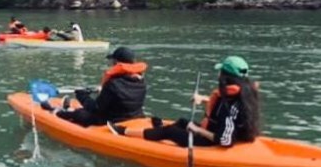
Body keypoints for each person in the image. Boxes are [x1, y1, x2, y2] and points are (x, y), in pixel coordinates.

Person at [108, 56, 260, 147]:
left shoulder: (231, 105)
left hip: (212, 141)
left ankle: (124, 132)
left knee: (170, 132)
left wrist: (198, 129)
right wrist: (203, 99)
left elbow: (225, 140)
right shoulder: (244, 93)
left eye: (221, 72)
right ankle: (158, 129)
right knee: (181, 122)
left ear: (226, 76)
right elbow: (228, 114)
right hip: (217, 132)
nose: (218, 74)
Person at [40, 46, 148, 127]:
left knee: (80, 114)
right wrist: (103, 90)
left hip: (111, 122)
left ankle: (56, 111)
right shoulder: (141, 81)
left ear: (117, 63)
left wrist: (82, 96)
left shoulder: (113, 84)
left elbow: (96, 109)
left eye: (113, 61)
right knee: (83, 111)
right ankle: (67, 108)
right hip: (134, 118)